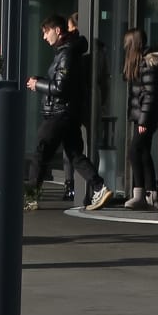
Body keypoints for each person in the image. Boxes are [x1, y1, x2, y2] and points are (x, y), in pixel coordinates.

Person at [26, 15, 113, 212]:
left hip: (59, 113)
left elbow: (60, 87)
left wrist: (37, 84)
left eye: (46, 32)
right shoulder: (67, 51)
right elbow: (61, 82)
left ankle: (30, 197)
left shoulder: (66, 53)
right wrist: (41, 80)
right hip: (68, 112)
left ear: (57, 31)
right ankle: (99, 187)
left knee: (41, 150)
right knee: (74, 154)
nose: (44, 37)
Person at [122, 28, 158, 209]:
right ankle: (150, 193)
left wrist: (143, 121)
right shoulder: (141, 63)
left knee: (134, 151)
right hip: (144, 116)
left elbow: (150, 94)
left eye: (127, 44)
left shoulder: (147, 64)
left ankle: (140, 193)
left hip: (146, 117)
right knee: (143, 152)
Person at [61, 11, 92, 202]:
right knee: (85, 144)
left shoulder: (68, 49)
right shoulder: (92, 50)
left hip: (73, 102)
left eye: (69, 27)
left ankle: (71, 184)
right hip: (88, 100)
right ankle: (91, 186)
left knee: (70, 146)